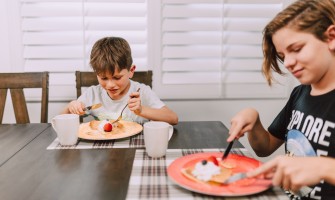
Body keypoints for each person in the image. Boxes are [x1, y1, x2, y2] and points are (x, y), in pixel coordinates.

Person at [228, 0, 335, 199]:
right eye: (282, 55)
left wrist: (324, 167)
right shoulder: (299, 93)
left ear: (331, 37)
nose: (287, 63)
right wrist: (255, 121)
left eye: (296, 49)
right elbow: (265, 148)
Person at [62, 37, 178, 125]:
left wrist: (141, 110)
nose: (110, 85)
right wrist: (70, 107)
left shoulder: (141, 92)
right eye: (103, 78)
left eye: (117, 78)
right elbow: (61, 121)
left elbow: (173, 118)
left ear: (131, 71)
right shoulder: (93, 94)